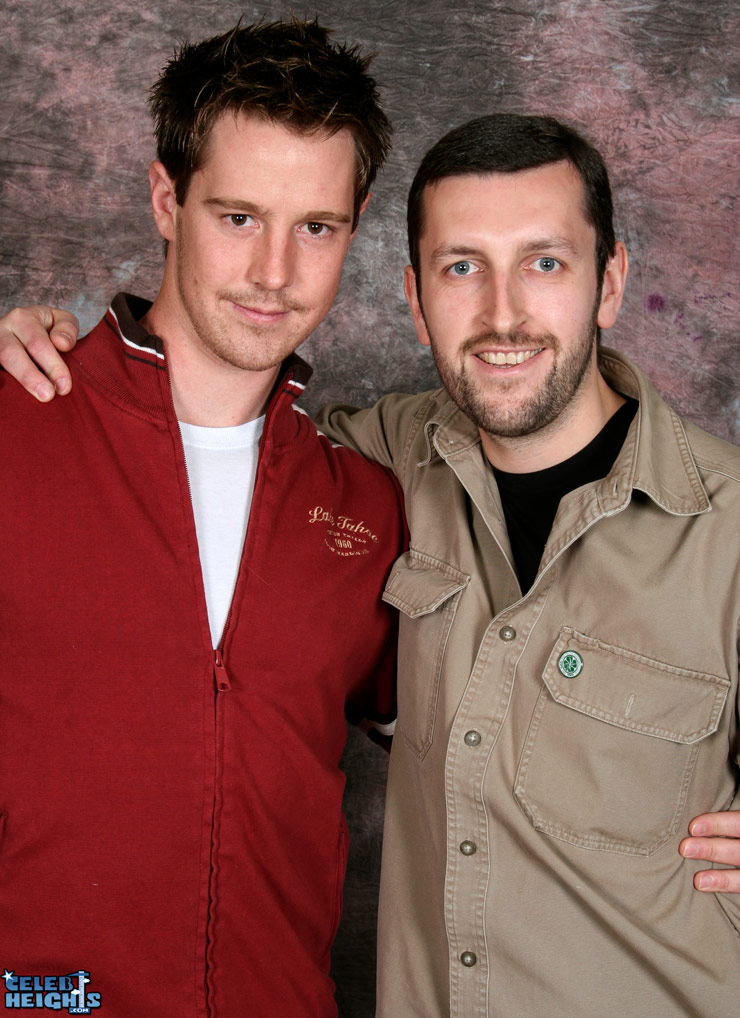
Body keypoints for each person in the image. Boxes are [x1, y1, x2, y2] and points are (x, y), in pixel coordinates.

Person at [3, 113, 740, 1015]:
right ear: (413, 295)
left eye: (546, 263)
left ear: (610, 281)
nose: (504, 313)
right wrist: (43, 370)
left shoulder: (728, 527)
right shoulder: (371, 471)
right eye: (461, 267)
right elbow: (208, 429)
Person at [0, 19, 407, 1018]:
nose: (274, 271)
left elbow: (487, 736)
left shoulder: (366, 505)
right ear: (165, 200)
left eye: (315, 227)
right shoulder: (16, 426)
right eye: (236, 216)